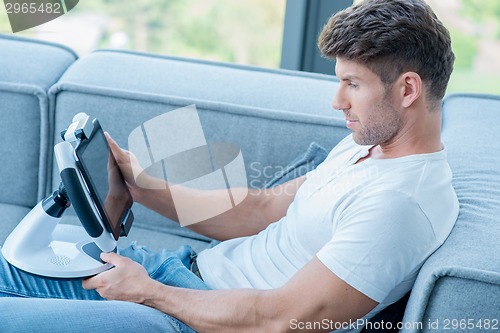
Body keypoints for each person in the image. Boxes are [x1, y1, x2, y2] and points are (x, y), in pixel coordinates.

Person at [0, 0, 459, 332]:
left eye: (352, 85)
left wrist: (148, 292)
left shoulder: (399, 206)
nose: (336, 101)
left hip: (187, 318)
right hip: (181, 277)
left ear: (407, 89)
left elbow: (281, 319)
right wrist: (144, 187)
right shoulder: (368, 146)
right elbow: (259, 210)